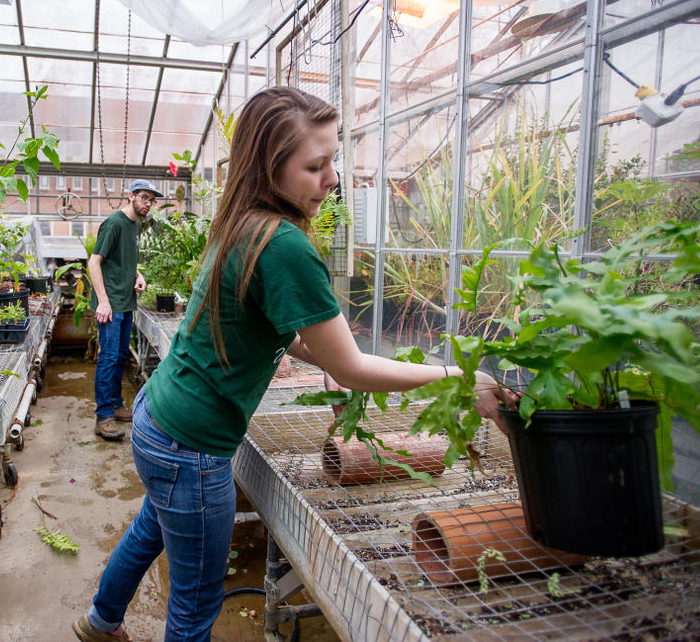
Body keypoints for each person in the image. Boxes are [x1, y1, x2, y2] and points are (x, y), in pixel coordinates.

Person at [71, 87, 516, 642]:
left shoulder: (238, 221)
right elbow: (353, 369)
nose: (332, 179)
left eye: (334, 161)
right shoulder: (283, 245)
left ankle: (100, 622)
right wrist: (459, 377)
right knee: (193, 606)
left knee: (148, 531)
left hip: (157, 419)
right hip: (193, 446)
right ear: (269, 167)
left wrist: (322, 354)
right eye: (316, 165)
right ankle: (102, 622)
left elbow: (267, 325)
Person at [88, 178, 161, 440]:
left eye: (151, 200)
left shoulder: (135, 225)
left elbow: (124, 259)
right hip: (111, 304)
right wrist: (104, 302)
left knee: (120, 357)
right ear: (130, 196)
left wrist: (138, 275)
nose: (148, 204)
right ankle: (103, 416)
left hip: (126, 301)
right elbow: (94, 262)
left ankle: (117, 406)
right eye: (144, 198)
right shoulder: (115, 223)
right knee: (108, 358)